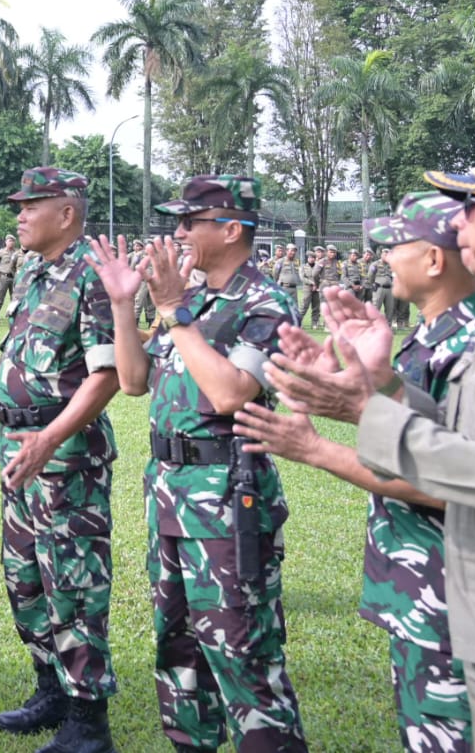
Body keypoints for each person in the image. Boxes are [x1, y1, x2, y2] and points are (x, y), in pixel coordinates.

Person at [267, 139, 475, 753]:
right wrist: (386, 385)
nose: (458, 221)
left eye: (473, 204)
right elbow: (461, 440)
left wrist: (360, 412)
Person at [235, 192, 475, 753]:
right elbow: (413, 442)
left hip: (458, 593)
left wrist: (315, 449)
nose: (385, 258)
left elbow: (460, 484)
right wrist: (358, 378)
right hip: (427, 588)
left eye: (395, 245)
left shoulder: (471, 345)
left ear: (435, 259)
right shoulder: (429, 339)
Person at [89, 175, 308, 752]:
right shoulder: (193, 300)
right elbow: (134, 381)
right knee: (178, 654)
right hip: (170, 497)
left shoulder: (264, 303)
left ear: (232, 229)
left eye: (190, 222)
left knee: (243, 655)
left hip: (228, 503)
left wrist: (171, 309)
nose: (177, 233)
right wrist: (123, 303)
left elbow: (231, 392)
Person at [0, 168, 120, 753]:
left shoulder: (93, 278)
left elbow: (108, 376)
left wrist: (50, 437)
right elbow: (16, 356)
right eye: (18, 206)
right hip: (16, 448)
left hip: (66, 459)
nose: (19, 214)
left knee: (72, 582)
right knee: (24, 578)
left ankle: (88, 718)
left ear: (67, 213)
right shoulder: (34, 271)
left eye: (31, 205)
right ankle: (50, 686)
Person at [0, 232, 21, 324]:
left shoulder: (18, 252)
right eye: (9, 241)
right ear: (5, 242)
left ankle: (13, 314)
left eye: (13, 241)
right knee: (0, 295)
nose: (11, 242)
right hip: (3, 276)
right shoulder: (0, 252)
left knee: (15, 297)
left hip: (15, 278)